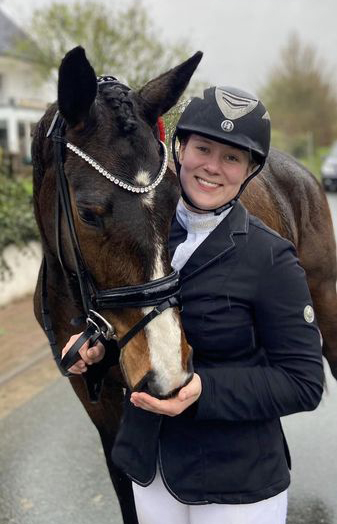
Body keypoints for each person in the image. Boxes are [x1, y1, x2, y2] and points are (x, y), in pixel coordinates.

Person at [62, 86, 324, 524]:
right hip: (152, 470)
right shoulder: (146, 235)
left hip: (235, 484)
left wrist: (204, 390)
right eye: (203, 148)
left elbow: (303, 382)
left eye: (232, 157)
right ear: (178, 149)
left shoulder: (271, 258)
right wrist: (98, 349)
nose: (212, 167)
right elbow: (141, 324)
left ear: (251, 170)